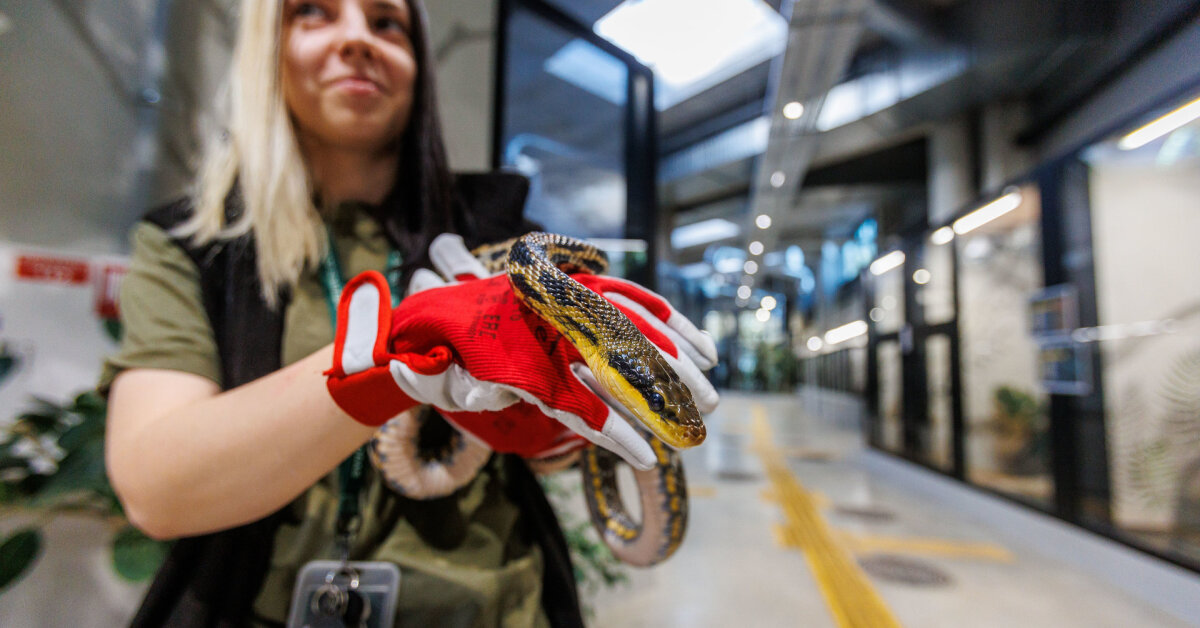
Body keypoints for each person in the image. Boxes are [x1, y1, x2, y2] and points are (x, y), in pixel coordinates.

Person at [101, 0, 717, 626]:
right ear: (266, 48)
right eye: (313, 12)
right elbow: (156, 492)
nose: (358, 40)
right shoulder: (192, 244)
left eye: (386, 22)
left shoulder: (502, 230)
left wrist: (553, 435)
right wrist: (395, 355)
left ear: (418, 64)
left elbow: (548, 439)